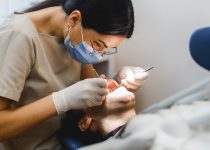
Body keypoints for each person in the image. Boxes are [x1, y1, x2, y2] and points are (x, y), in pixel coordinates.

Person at [0, 0, 149, 149]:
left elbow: (92, 86)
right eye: (98, 44)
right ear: (74, 19)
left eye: (108, 49)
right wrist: (62, 100)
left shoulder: (73, 39)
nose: (99, 56)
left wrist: (118, 78)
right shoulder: (18, 36)